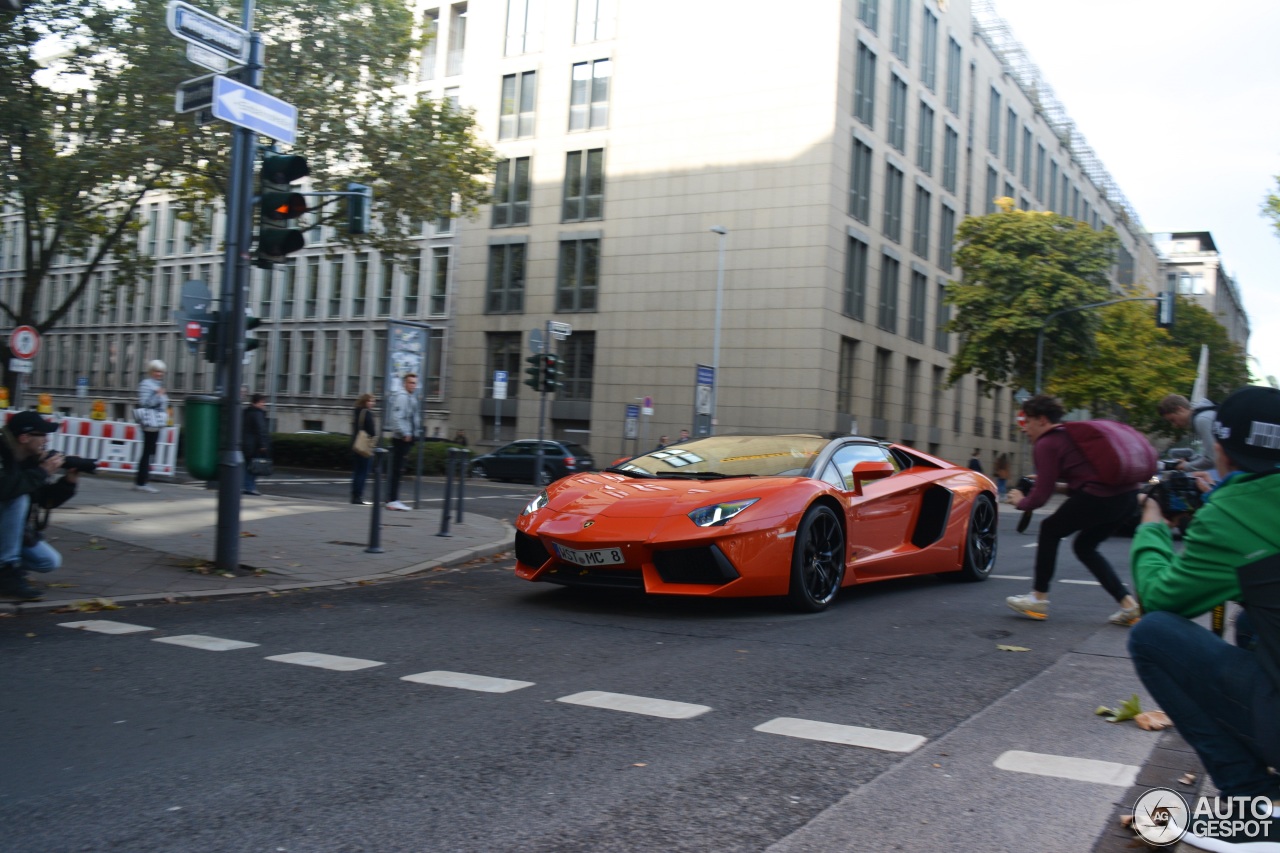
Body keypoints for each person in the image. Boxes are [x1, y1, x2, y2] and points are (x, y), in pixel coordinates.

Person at [1129, 385, 1280, 810]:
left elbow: (1160, 598)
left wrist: (1153, 524)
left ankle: (1253, 799)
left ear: (1222, 450)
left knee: (1153, 635)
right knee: (1253, 621)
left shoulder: (1232, 513)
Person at [1004, 394, 1142, 625]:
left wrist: (1021, 501)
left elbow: (1040, 497)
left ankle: (1038, 598)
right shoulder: (1072, 435)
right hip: (1127, 497)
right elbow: (1085, 480)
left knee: (1049, 529)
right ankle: (1129, 606)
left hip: (1101, 498)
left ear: (1041, 420)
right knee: (1085, 546)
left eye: (1026, 421)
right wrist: (1054, 484)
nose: (1024, 428)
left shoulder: (1047, 443)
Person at [0, 412, 76, 600]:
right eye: (41, 435)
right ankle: (6, 572)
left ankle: (9, 565)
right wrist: (41, 472)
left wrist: (68, 482)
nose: (46, 440)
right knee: (19, 498)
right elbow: (5, 489)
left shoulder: (27, 460)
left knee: (48, 561)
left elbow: (43, 500)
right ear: (24, 438)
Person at [1157, 393, 1220, 480]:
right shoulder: (1206, 414)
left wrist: (1186, 466)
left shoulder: (1201, 420)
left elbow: (1212, 459)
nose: (1174, 425)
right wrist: (1191, 460)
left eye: (1173, 420)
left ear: (1180, 409)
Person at [386, 374, 421, 512]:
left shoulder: (409, 397)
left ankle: (393, 499)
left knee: (399, 470)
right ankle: (392, 500)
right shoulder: (402, 397)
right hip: (401, 438)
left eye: (415, 383)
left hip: (406, 438)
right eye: (411, 383)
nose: (413, 385)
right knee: (397, 470)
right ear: (404, 384)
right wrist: (405, 433)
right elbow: (397, 418)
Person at [134, 359, 168, 493]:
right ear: (151, 371)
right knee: (147, 452)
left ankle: (142, 481)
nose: (159, 374)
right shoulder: (147, 384)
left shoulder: (157, 384)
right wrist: (158, 395)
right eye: (157, 371)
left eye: (161, 371)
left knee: (149, 451)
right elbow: (145, 403)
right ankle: (141, 482)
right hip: (150, 421)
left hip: (156, 421)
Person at [241, 393, 270, 496]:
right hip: (254, 445)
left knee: (247, 467)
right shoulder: (257, 414)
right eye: (262, 402)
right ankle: (249, 487)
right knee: (253, 467)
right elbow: (261, 430)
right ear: (256, 402)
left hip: (246, 444)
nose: (264, 404)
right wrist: (263, 445)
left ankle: (244, 486)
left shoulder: (246, 412)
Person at [350, 393, 376, 505]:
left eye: (373, 401)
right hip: (364, 445)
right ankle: (358, 496)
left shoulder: (357, 411)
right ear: (365, 402)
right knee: (363, 472)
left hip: (356, 444)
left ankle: (355, 495)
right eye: (370, 401)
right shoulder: (367, 413)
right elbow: (371, 431)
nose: (372, 403)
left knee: (357, 472)